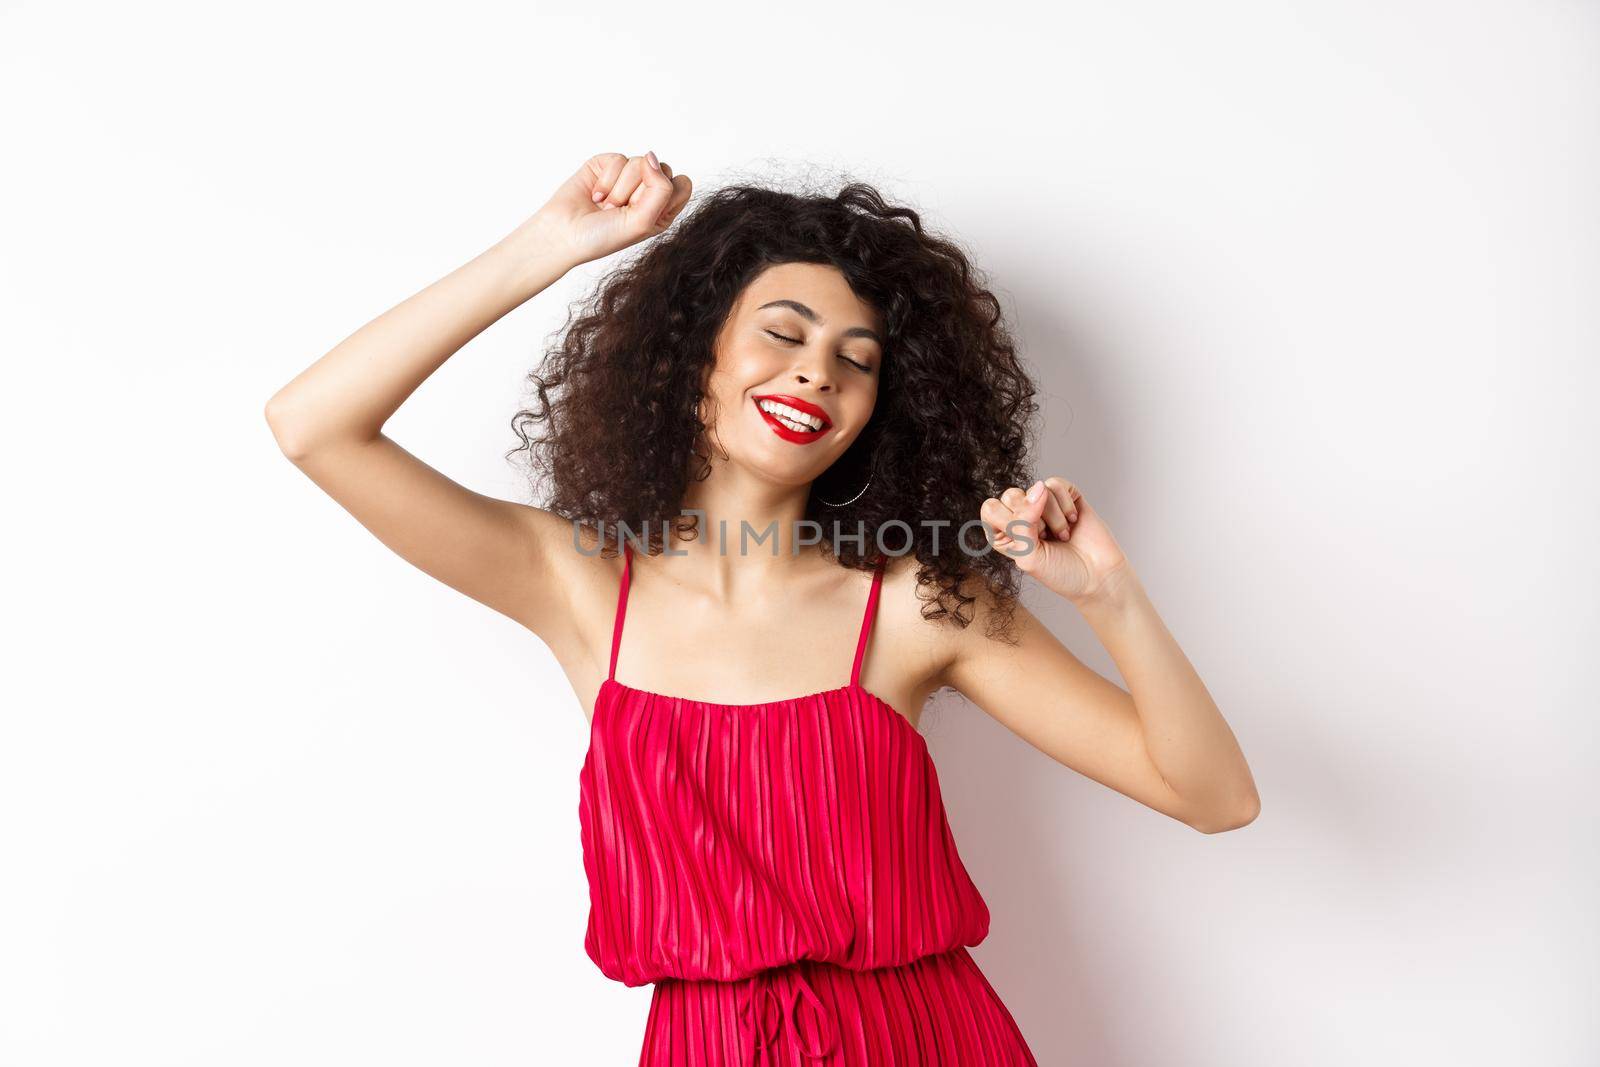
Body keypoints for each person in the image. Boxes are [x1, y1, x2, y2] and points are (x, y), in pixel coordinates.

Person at [265, 150, 1260, 1065]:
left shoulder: (916, 602)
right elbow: (314, 427)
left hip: (926, 1040)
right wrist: (557, 242)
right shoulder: (577, 585)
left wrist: (1110, 597)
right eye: (782, 333)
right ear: (690, 355)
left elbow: (1214, 798)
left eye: (856, 359)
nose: (816, 371)